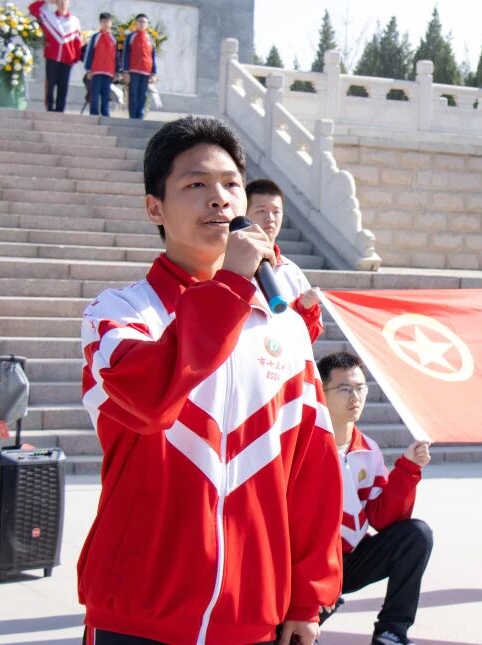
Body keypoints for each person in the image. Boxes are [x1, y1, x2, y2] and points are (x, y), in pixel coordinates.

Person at [78, 115, 342, 645]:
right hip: (137, 612)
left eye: (230, 184)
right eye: (196, 184)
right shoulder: (119, 315)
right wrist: (230, 286)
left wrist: (306, 598)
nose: (219, 199)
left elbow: (311, 471)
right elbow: (152, 403)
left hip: (250, 616)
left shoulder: (286, 329)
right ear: (155, 208)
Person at [317, 351, 432, 645]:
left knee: (416, 535)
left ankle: (391, 631)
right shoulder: (305, 445)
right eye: (344, 389)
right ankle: (309, 613)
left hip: (350, 560)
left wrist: (408, 469)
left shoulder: (368, 450)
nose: (355, 397)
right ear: (321, 391)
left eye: (360, 388)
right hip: (309, 564)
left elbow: (383, 519)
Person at [245, 178, 324, 342]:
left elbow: (308, 338)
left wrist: (305, 308)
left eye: (276, 212)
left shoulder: (292, 272)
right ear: (243, 214)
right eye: (261, 211)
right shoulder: (226, 265)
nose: (270, 218)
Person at [29, 0, 82, 112]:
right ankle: (49, 108)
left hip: (67, 59)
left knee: (63, 86)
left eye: (65, 0)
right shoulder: (49, 17)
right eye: (60, 0)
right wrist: (46, 1)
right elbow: (32, 8)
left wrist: (76, 58)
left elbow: (78, 41)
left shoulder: (74, 21)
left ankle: (60, 110)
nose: (63, 3)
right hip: (52, 56)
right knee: (50, 85)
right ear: (56, 1)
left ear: (69, 2)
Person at [120, 13, 156, 119]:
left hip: (146, 72)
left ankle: (140, 117)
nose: (142, 24)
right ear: (136, 23)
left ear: (147, 24)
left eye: (144, 22)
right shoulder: (130, 37)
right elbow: (125, 55)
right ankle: (132, 117)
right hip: (133, 71)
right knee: (133, 95)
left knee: (143, 95)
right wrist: (125, 71)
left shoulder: (150, 39)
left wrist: (154, 73)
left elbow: (153, 57)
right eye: (140, 21)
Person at [81, 12, 117, 117]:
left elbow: (116, 56)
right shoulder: (95, 37)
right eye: (104, 21)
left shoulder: (113, 39)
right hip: (96, 71)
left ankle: (105, 114)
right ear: (100, 23)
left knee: (106, 94)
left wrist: (116, 71)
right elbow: (89, 53)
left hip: (109, 72)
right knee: (94, 94)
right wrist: (88, 69)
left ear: (111, 23)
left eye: (108, 21)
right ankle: (94, 114)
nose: (106, 24)